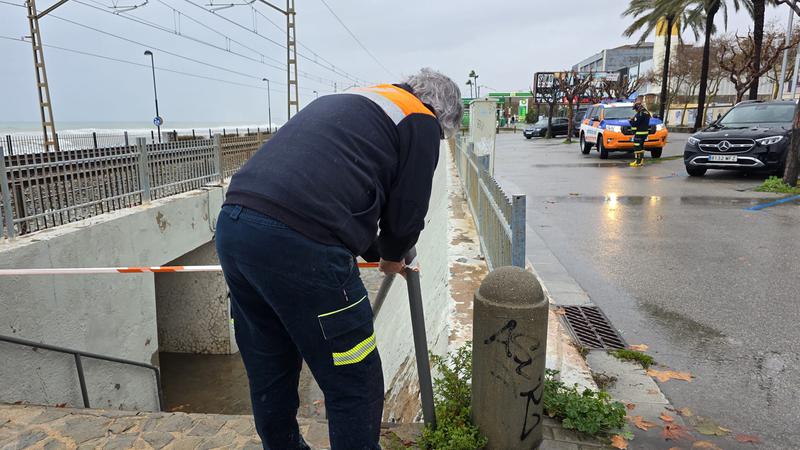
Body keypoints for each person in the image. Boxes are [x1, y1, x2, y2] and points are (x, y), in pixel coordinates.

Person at [215, 68, 463, 450]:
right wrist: (393, 256)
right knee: (355, 380)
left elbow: (341, 188)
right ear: (442, 113)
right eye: (444, 133)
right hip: (302, 244)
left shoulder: (355, 100)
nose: (439, 137)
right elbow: (407, 210)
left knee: (271, 369)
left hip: (235, 226)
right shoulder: (419, 118)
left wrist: (375, 248)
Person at [629, 102, 651, 167]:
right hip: (645, 133)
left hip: (639, 133)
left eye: (635, 109)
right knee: (641, 147)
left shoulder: (640, 114)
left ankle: (637, 162)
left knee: (637, 148)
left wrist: (631, 121)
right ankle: (641, 161)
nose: (635, 110)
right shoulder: (647, 113)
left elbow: (635, 123)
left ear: (638, 107)